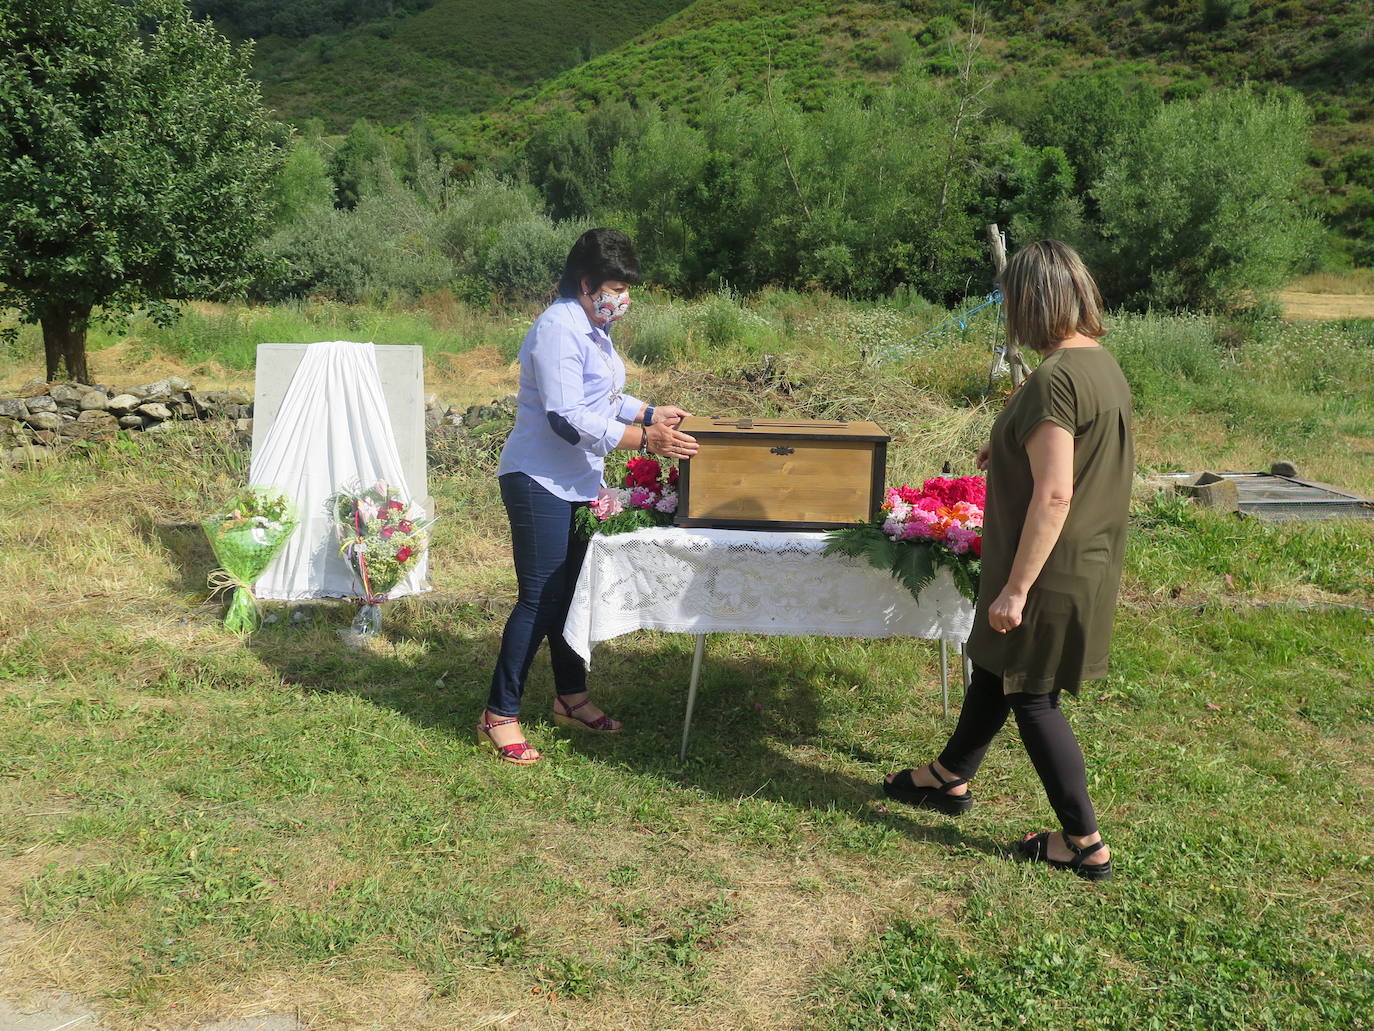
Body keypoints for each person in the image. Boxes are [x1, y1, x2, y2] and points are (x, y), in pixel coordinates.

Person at [882, 240, 1134, 881]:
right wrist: (1011, 453)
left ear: (1030, 302)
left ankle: (1083, 842)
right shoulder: (1099, 364)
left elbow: (1055, 492)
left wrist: (1016, 589)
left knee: (1033, 697)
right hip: (1088, 556)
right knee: (996, 669)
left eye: (1009, 301)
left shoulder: (1055, 379)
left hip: (1048, 565)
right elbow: (1064, 453)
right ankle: (948, 777)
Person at [478, 228, 700, 765]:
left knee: (573, 592)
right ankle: (498, 714)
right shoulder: (558, 328)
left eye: (626, 288)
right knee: (540, 597)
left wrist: (649, 413)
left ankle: (569, 697)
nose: (622, 299)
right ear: (585, 282)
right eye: (615, 287)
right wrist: (644, 439)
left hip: (577, 481)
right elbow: (565, 416)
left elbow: (604, 396)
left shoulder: (592, 327)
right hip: (539, 480)